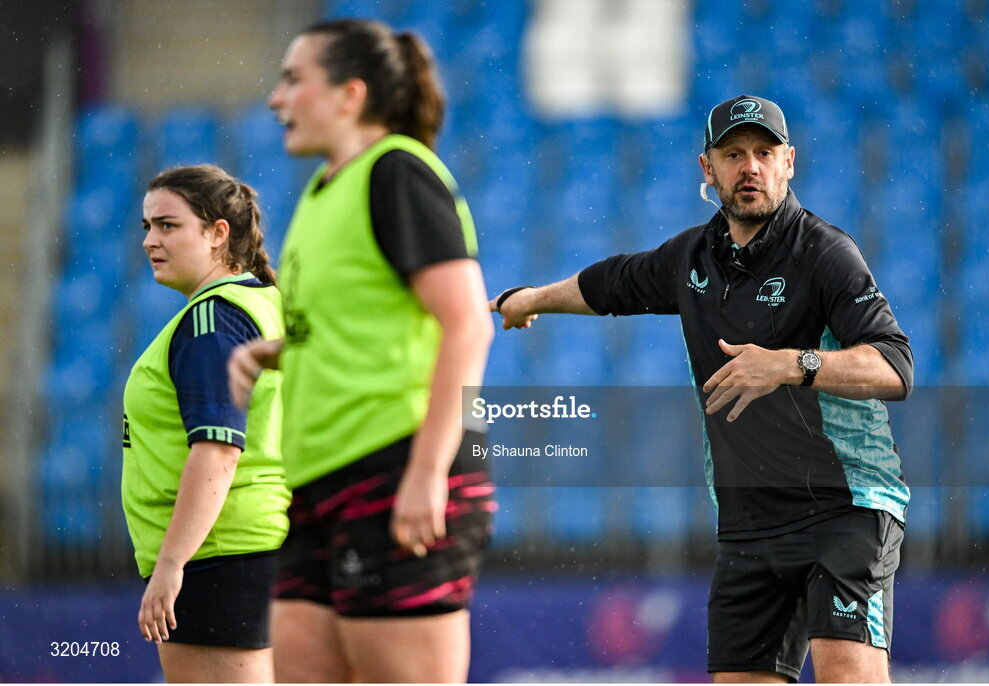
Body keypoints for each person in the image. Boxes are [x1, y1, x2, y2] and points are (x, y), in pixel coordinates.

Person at [491, 94, 913, 683]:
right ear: (706, 167)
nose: (750, 167)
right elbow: (612, 284)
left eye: (765, 153)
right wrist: (533, 299)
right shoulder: (692, 256)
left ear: (789, 162)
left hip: (845, 509)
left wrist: (793, 364)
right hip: (749, 518)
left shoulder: (826, 254)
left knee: (846, 672)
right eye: (733, 153)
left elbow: (895, 366)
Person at [226, 19, 495, 683]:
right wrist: (277, 352)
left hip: (396, 463)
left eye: (293, 80)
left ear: (349, 94)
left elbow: (468, 324)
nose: (275, 99)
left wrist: (428, 473)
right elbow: (356, 322)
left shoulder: (397, 171)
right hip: (315, 481)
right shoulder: (322, 192)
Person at [121, 165, 290, 682]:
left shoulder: (212, 319)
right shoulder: (265, 301)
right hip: (255, 547)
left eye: (169, 226)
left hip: (216, 554)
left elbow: (217, 448)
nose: (151, 240)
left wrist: (173, 564)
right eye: (147, 226)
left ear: (218, 234)